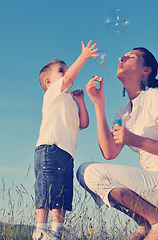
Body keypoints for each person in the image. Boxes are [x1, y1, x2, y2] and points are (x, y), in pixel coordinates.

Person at [77, 47, 158, 240]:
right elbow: (109, 152)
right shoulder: (124, 113)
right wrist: (98, 104)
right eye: (123, 55)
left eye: (131, 56)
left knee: (90, 171)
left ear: (146, 70)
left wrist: (135, 140)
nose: (121, 57)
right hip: (154, 187)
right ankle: (146, 222)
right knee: (85, 172)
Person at [32, 40, 99, 240]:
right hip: (49, 148)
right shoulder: (53, 93)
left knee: (61, 193)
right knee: (47, 187)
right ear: (48, 82)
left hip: (67, 153)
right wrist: (84, 56)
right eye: (62, 71)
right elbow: (69, 79)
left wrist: (80, 101)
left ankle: (57, 229)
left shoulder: (68, 100)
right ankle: (40, 229)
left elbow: (84, 123)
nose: (67, 75)